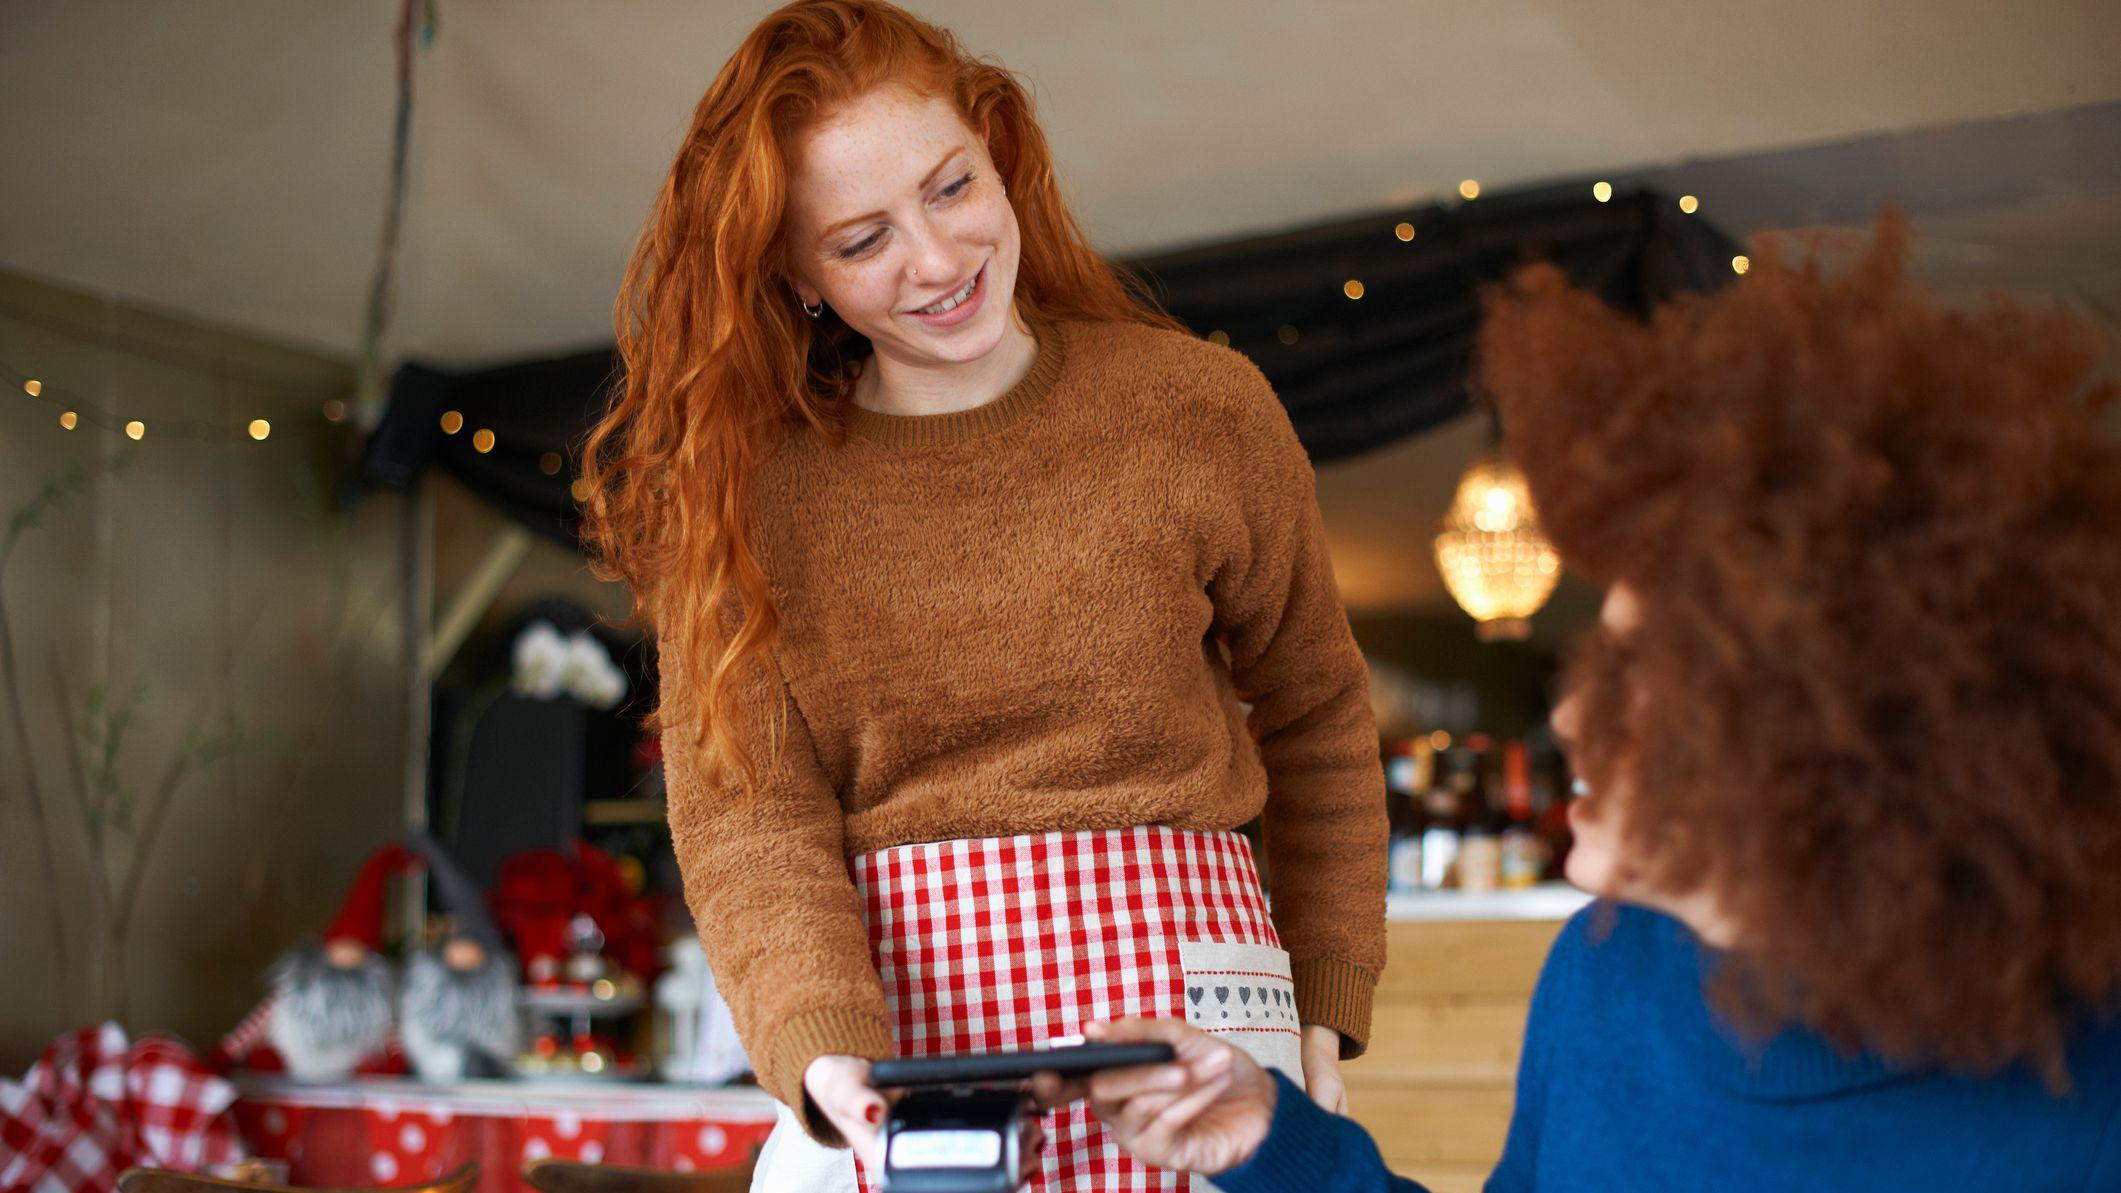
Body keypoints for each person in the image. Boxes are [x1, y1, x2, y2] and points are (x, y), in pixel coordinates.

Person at [1041, 216, 2121, 1191]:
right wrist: (1268, 1140)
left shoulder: (2089, 1088)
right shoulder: (1608, 969)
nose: (1570, 718)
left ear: (1845, 737)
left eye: (1647, 669)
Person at [578, 2, 1387, 1188]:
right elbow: (750, 822)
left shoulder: (1200, 409)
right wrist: (821, 1053)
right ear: (795, 275)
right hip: (896, 1044)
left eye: (950, 188)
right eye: (861, 242)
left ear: (999, 151)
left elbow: (1316, 707)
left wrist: (1324, 985)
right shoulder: (750, 499)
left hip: (1203, 1031)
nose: (939, 259)